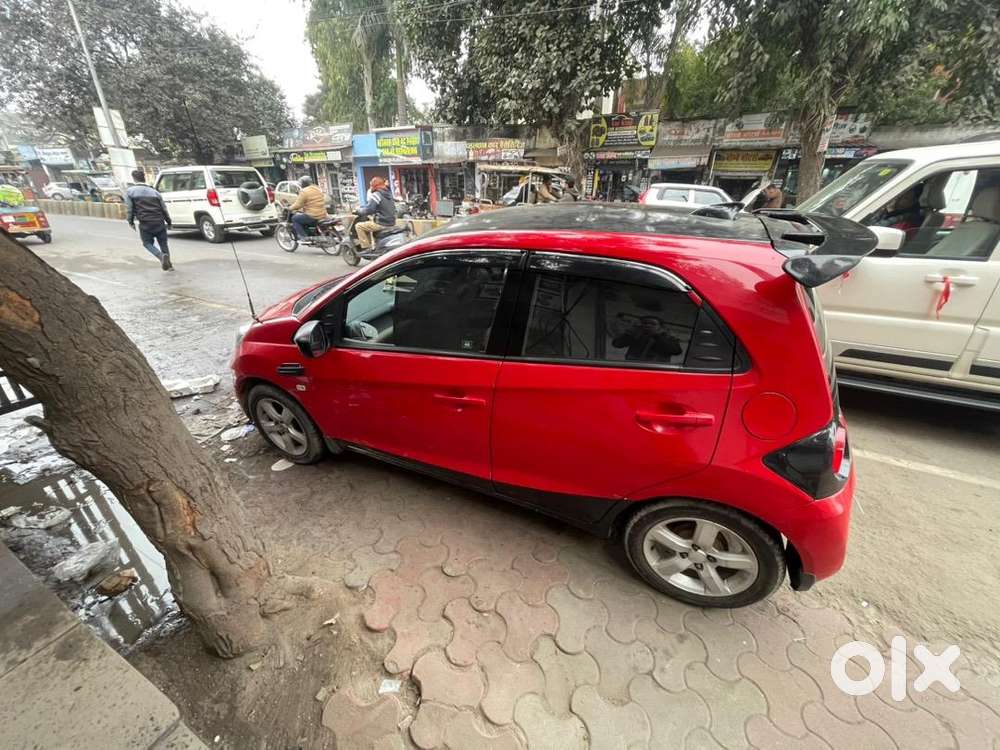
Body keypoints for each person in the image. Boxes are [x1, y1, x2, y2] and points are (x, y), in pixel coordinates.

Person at [124, 169, 173, 271]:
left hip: (145, 222)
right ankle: (170, 266)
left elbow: (129, 208)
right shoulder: (155, 192)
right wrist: (169, 221)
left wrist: (130, 221)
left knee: (147, 243)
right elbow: (164, 208)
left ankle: (160, 256)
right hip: (159, 221)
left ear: (134, 179)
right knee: (163, 243)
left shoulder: (130, 192)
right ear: (144, 178)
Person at [612, 315, 682, 362]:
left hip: (655, 369)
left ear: (660, 327)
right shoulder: (636, 334)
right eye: (645, 323)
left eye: (653, 324)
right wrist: (630, 334)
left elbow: (676, 351)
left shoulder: (668, 337)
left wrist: (657, 336)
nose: (648, 325)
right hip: (633, 365)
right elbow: (617, 344)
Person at [354, 176, 396, 249]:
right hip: (391, 222)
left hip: (381, 223)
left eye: (371, 185)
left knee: (359, 226)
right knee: (369, 223)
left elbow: (369, 210)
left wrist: (358, 211)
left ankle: (366, 248)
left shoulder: (377, 194)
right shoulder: (389, 194)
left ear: (375, 185)